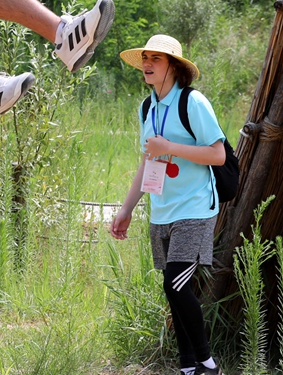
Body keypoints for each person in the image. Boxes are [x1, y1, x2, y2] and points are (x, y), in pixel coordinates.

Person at [109, 34, 226, 375]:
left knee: (174, 282)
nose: (147, 63)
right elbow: (148, 161)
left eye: (156, 59)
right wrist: (127, 209)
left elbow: (217, 155)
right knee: (177, 291)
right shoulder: (147, 107)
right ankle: (188, 367)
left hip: (195, 208)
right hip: (161, 210)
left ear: (174, 67)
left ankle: (208, 363)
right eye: (145, 57)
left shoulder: (194, 103)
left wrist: (170, 147)